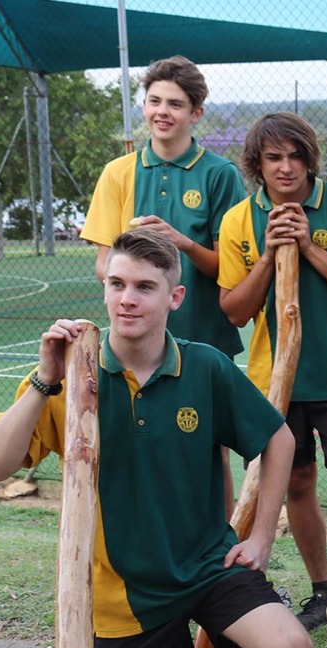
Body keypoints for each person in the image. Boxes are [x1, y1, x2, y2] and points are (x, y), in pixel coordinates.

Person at [0, 229, 314, 648]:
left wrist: (259, 537)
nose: (127, 298)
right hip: (125, 590)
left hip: (208, 564)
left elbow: (279, 438)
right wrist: (47, 379)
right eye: (116, 284)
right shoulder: (75, 373)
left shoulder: (205, 366)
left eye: (144, 286)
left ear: (174, 297)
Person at [218, 113, 327, 633]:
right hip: (276, 381)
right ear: (257, 164)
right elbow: (234, 310)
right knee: (296, 483)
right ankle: (323, 593)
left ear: (310, 159)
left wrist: (311, 248)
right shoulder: (239, 221)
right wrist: (269, 256)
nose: (286, 167)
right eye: (274, 158)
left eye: (295, 156)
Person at [80, 55, 246, 518]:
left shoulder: (219, 174)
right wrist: (137, 270)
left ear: (196, 113)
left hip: (202, 337)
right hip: (133, 341)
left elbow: (228, 271)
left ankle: (217, 553)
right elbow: (101, 264)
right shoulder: (119, 172)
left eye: (175, 103)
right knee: (132, 447)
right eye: (154, 101)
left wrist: (180, 243)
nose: (162, 112)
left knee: (211, 450)